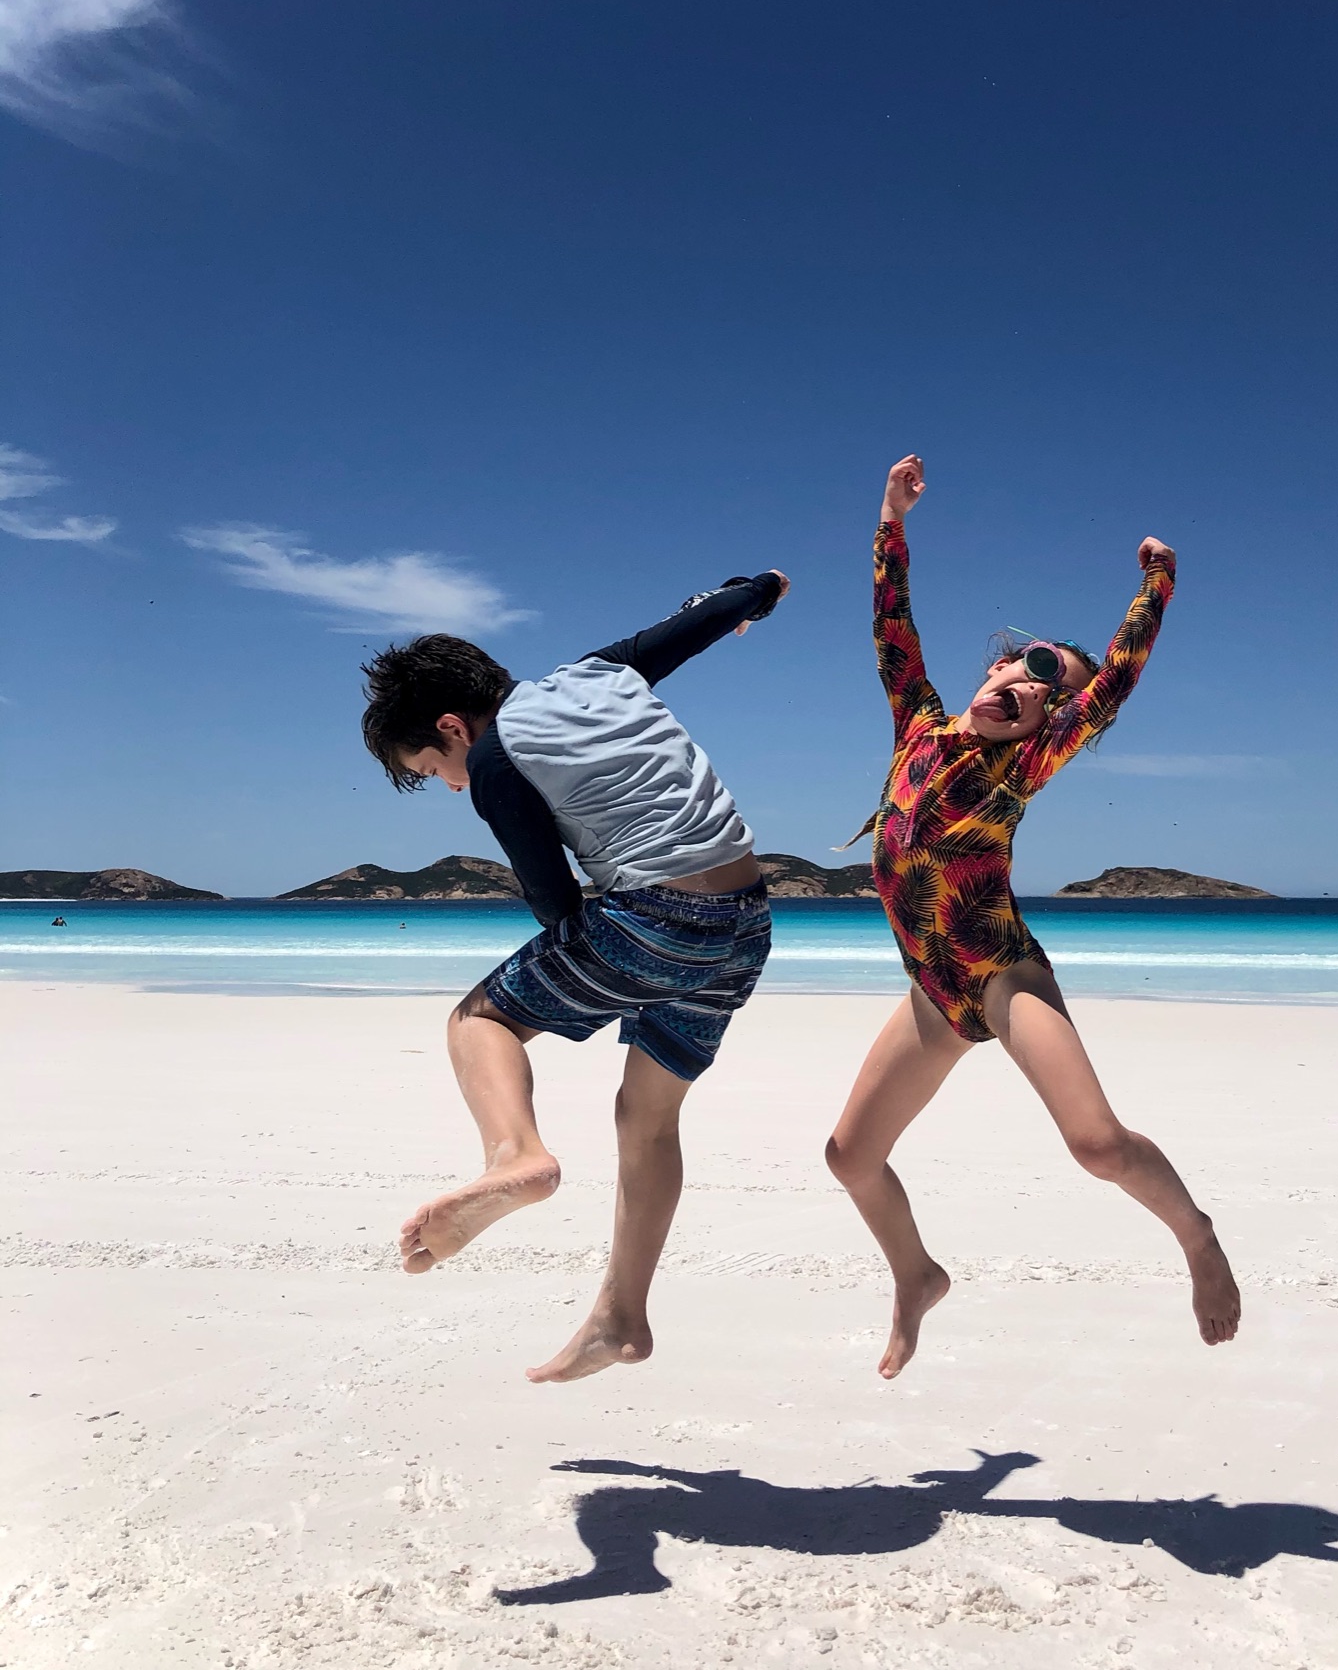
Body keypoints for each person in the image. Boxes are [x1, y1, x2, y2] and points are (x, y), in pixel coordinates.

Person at [825, 455, 1239, 1377]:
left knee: (1095, 1145)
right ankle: (917, 1275)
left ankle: (1198, 1236)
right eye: (1024, 662)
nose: (1026, 684)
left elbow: (1115, 682)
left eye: (1049, 689)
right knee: (850, 1158)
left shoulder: (1023, 765)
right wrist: (890, 518)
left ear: (1052, 722)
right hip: (933, 993)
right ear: (997, 663)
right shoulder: (920, 727)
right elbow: (890, 622)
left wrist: (1156, 581)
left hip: (1002, 975)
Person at [360, 567, 789, 1382]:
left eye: (432, 767)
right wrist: (761, 590)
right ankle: (622, 1318)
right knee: (646, 1119)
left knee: (478, 1021)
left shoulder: (493, 759)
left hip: (659, 921)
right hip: (748, 923)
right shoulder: (604, 671)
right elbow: (705, 617)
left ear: (453, 726)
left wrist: (599, 932)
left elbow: (553, 901)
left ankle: (514, 1154)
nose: (451, 784)